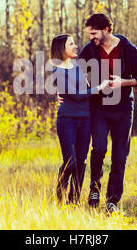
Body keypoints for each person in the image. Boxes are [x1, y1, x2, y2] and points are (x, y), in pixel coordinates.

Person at [58, 13, 137, 214]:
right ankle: (95, 188)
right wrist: (62, 91)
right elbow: (73, 73)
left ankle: (112, 201)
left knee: (119, 156)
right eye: (90, 34)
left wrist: (122, 82)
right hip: (98, 108)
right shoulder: (91, 49)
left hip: (123, 108)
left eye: (94, 33)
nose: (91, 37)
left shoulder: (128, 49)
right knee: (98, 149)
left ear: (106, 29)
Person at [50, 34, 110, 205]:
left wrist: (101, 87)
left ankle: (74, 200)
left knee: (81, 163)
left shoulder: (77, 67)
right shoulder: (57, 71)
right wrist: (100, 88)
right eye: (71, 44)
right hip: (67, 120)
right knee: (70, 162)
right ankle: (60, 194)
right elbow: (76, 95)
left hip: (85, 119)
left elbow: (86, 91)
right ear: (62, 48)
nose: (75, 46)